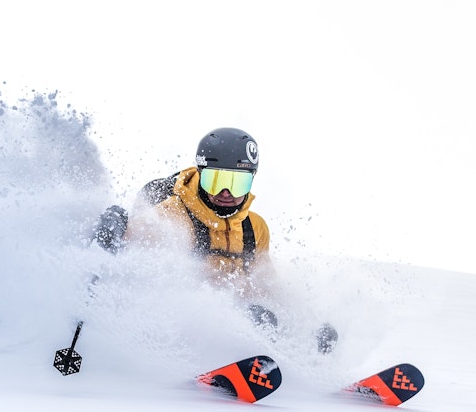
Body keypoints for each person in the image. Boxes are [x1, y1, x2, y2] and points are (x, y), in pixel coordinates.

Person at [93, 127, 337, 353]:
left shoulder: (255, 228)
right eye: (216, 181)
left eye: (238, 182)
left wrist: (307, 323)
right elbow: (133, 248)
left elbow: (267, 284)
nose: (226, 193)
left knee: (263, 318)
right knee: (255, 318)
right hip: (183, 323)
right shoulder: (174, 215)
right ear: (200, 175)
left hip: (240, 315)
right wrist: (117, 227)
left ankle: (303, 360)